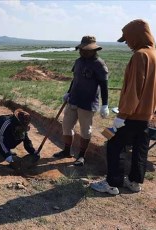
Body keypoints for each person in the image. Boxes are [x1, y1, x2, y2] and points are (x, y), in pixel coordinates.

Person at [91, 19, 156, 195]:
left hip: (132, 115)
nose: (127, 43)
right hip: (146, 115)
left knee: (114, 145)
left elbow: (134, 88)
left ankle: (112, 183)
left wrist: (122, 115)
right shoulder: (154, 54)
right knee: (140, 148)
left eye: (127, 38)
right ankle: (135, 182)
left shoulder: (140, 55)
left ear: (136, 35)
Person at [53, 35, 109, 166]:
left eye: (86, 50)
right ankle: (66, 151)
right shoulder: (78, 61)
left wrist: (105, 104)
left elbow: (104, 86)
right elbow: (75, 79)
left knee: (85, 131)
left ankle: (81, 156)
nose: (82, 52)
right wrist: (68, 92)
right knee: (66, 127)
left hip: (87, 104)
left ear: (94, 50)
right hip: (73, 100)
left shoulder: (99, 65)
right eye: (81, 49)